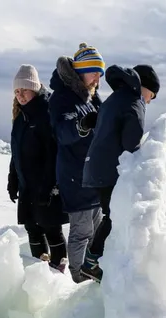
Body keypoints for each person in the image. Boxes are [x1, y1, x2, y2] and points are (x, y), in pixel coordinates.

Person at [79, 64, 160, 282]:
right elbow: (130, 143)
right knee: (115, 216)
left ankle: (98, 259)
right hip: (108, 169)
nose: (150, 101)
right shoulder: (134, 102)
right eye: (152, 95)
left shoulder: (116, 99)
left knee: (112, 214)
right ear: (145, 88)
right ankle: (92, 262)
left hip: (95, 166)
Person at [48, 43, 105, 282]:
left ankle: (92, 270)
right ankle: (77, 278)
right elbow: (62, 132)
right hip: (75, 176)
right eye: (94, 71)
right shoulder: (62, 98)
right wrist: (81, 126)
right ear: (80, 70)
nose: (97, 77)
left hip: (93, 177)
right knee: (82, 233)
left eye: (99, 73)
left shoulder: (91, 97)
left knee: (96, 230)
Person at [8, 64, 67, 270]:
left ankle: (58, 270)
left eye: (24, 90)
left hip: (45, 185)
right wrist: (12, 180)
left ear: (34, 88)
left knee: (51, 228)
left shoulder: (46, 113)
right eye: (17, 91)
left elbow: (53, 154)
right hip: (27, 185)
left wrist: (48, 187)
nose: (20, 95)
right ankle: (39, 269)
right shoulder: (21, 117)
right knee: (32, 228)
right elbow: (16, 150)